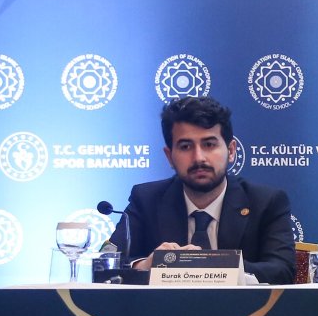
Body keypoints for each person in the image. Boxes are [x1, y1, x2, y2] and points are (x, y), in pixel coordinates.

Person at [113, 96, 296, 285]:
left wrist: (211, 265)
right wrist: (146, 265)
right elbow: (108, 264)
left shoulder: (266, 202)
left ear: (231, 150)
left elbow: (282, 270)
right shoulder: (146, 200)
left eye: (209, 144)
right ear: (169, 156)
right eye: (185, 147)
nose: (199, 157)